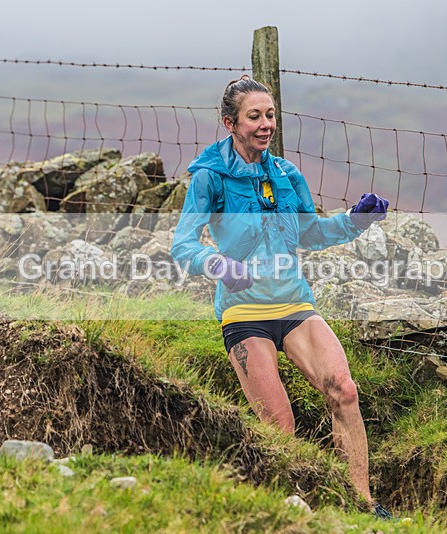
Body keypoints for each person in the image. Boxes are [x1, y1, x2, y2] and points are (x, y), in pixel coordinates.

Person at [170, 76, 392, 519]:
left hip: (294, 304)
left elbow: (309, 232)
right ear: (230, 122)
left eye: (270, 115)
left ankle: (362, 506)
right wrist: (217, 264)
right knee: (280, 427)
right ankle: (290, 515)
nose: (266, 124)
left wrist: (354, 220)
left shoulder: (287, 175)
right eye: (255, 116)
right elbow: (183, 245)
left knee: (344, 390)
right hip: (243, 312)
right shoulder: (209, 177)